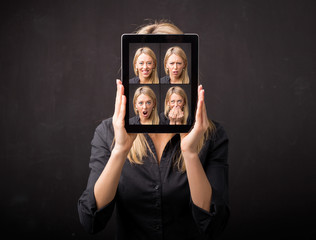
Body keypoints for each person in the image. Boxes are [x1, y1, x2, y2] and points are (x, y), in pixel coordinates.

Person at [78, 20, 230, 240]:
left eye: (180, 63)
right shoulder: (107, 133)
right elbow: (90, 220)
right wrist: (120, 150)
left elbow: (213, 225)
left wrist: (190, 153)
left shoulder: (212, 136)